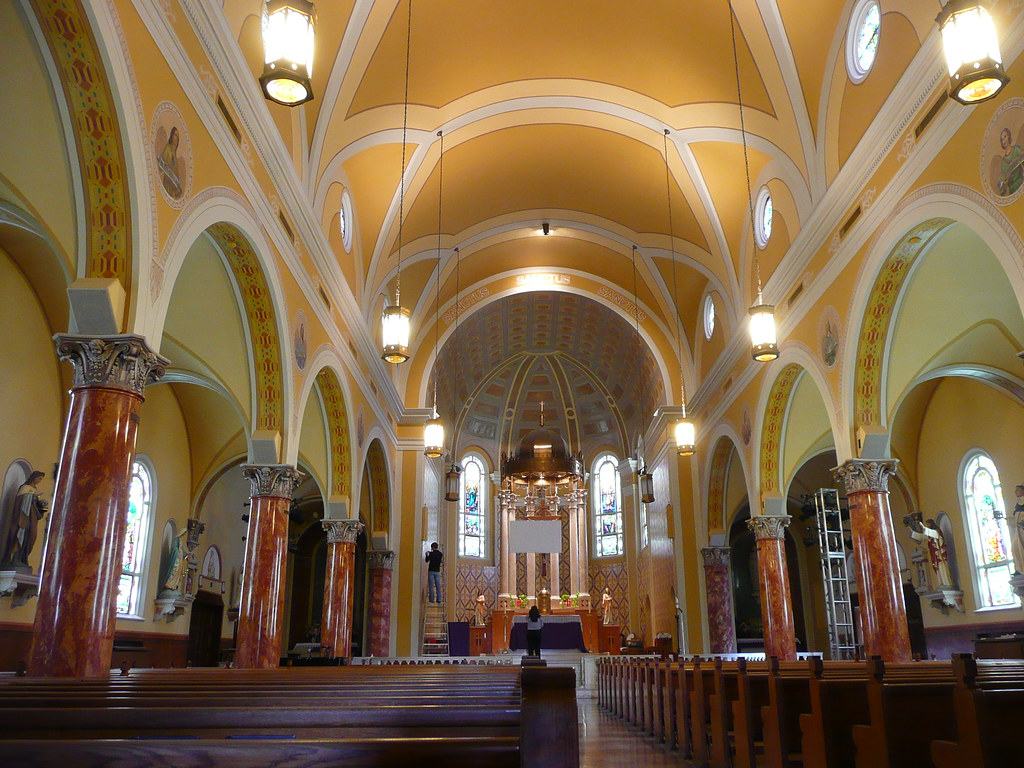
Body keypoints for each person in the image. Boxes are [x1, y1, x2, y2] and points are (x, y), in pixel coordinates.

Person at [1, 471, 47, 569]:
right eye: (39, 478)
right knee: (20, 535)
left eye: (41, 479)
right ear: (34, 477)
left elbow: (36, 506)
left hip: (32, 519)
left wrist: (42, 504)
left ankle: (23, 559)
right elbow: (19, 503)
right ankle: (14, 559)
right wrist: (32, 496)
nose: (39, 481)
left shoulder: (34, 489)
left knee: (30, 537)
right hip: (23, 518)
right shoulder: (25, 488)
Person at [1010, 485, 1024, 574]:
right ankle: (1020, 568)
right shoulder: (1018, 503)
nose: (1015, 492)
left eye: (1017, 490)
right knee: (1015, 547)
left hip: (1022, 530)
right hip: (1018, 530)